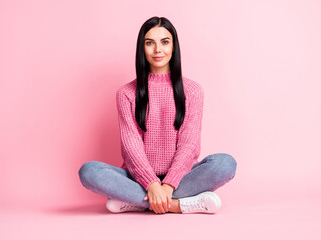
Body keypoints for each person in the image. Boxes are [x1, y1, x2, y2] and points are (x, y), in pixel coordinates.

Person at [78, 16, 237, 214]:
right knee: (89, 171)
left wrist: (168, 185)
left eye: (164, 42)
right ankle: (179, 205)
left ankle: (137, 202)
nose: (157, 50)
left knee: (225, 164)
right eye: (149, 43)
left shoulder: (193, 91)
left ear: (174, 46)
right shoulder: (126, 94)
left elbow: (190, 145)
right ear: (142, 48)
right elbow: (131, 147)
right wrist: (152, 185)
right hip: (138, 179)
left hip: (181, 178)